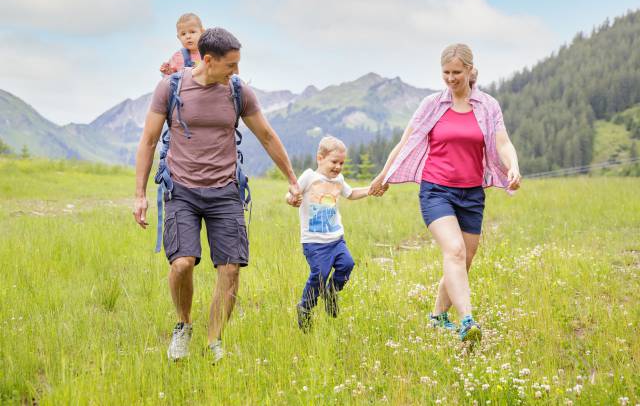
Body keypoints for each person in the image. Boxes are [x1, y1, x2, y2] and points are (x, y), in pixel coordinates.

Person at [134, 27, 302, 363]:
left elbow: (267, 136)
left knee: (230, 268)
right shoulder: (171, 87)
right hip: (180, 189)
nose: (236, 72)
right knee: (181, 264)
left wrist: (292, 179)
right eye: (231, 65)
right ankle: (183, 325)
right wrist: (139, 194)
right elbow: (149, 140)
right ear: (208, 60)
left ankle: (214, 340)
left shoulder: (238, 92)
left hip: (225, 191)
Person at [369, 44, 521, 343]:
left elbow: (502, 142)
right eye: (446, 73)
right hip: (436, 190)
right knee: (453, 251)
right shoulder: (432, 105)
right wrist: (383, 175)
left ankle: (437, 317)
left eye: (457, 73)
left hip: (472, 194)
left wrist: (513, 166)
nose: (451, 79)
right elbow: (405, 141)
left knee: (464, 260)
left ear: (469, 70)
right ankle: (467, 321)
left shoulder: (487, 105)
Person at [286, 136, 370, 332]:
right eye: (334, 162)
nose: (338, 167)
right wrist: (292, 199)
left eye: (341, 163)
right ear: (320, 158)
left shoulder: (339, 180)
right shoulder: (309, 176)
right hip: (314, 242)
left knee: (347, 264)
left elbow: (351, 194)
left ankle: (331, 293)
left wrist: (370, 189)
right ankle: (305, 306)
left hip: (336, 239)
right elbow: (290, 193)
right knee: (320, 274)